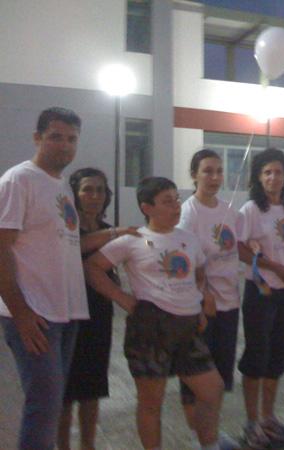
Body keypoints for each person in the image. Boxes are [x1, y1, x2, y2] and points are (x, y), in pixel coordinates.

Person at [84, 177, 224, 450]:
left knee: (212, 389)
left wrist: (199, 300)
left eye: (176, 199)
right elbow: (93, 267)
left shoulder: (188, 239)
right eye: (167, 201)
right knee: (151, 402)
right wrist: (123, 299)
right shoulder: (132, 240)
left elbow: (198, 273)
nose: (176, 206)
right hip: (150, 329)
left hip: (188, 328)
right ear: (147, 208)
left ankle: (209, 445)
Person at [0, 107, 88, 450]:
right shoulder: (18, 180)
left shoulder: (62, 186)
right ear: (37, 138)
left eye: (71, 139)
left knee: (51, 404)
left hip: (64, 313)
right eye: (55, 137)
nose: (64, 145)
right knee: (44, 406)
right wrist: (21, 313)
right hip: (34, 315)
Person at [58, 168, 139, 450]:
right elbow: (75, 247)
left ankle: (88, 445)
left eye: (100, 190)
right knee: (66, 391)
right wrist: (117, 232)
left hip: (99, 313)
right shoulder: (67, 226)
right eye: (87, 190)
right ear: (75, 193)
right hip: (68, 313)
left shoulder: (106, 228)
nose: (94, 196)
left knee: (93, 387)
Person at [236, 148, 284, 449]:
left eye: (278, 172)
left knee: (280, 353)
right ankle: (252, 422)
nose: (273, 177)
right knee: (257, 354)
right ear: (259, 177)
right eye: (267, 172)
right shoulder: (251, 210)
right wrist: (273, 266)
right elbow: (240, 248)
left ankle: (268, 416)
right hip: (261, 291)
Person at [178, 149, 241, 449]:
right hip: (202, 308)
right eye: (207, 171)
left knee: (220, 376)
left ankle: (211, 434)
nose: (214, 177)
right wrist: (203, 296)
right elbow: (184, 263)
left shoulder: (229, 211)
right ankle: (199, 438)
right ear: (194, 175)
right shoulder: (188, 213)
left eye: (219, 171)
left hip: (230, 304)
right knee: (197, 376)